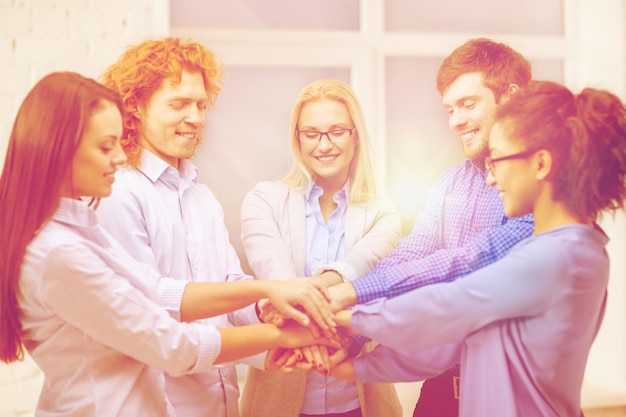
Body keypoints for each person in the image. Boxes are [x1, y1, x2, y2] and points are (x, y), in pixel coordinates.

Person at [0, 71, 337, 416]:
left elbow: (155, 292)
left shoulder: (81, 229)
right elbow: (171, 345)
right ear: (58, 148)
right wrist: (285, 336)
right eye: (105, 146)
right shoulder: (60, 250)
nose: (118, 156)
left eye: (201, 105)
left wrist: (266, 291)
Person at [330, 79, 626, 416]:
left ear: (541, 164)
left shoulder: (562, 255)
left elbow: (449, 305)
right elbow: (451, 343)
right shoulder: (556, 249)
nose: (490, 178)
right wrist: (350, 368)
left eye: (497, 160)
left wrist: (340, 315)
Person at [95, 37, 335, 417]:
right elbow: (147, 303)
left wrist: (264, 309)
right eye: (179, 104)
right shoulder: (119, 193)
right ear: (136, 106)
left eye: (201, 105)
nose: (196, 118)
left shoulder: (200, 196)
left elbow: (229, 286)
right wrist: (271, 293)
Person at [324, 38, 535, 416]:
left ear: (511, 98)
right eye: (450, 109)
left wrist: (352, 294)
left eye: (468, 104)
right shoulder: (450, 183)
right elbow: (413, 252)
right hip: (442, 388)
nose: (456, 120)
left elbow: (473, 262)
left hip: (513, 389)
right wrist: (351, 332)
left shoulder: (540, 183)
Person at [238, 79, 403, 417]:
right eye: (311, 134)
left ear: (355, 135)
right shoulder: (263, 201)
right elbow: (278, 277)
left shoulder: (382, 212)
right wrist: (300, 302)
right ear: (297, 139)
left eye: (337, 131)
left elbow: (361, 263)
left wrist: (315, 289)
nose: (324, 145)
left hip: (362, 402)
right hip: (277, 400)